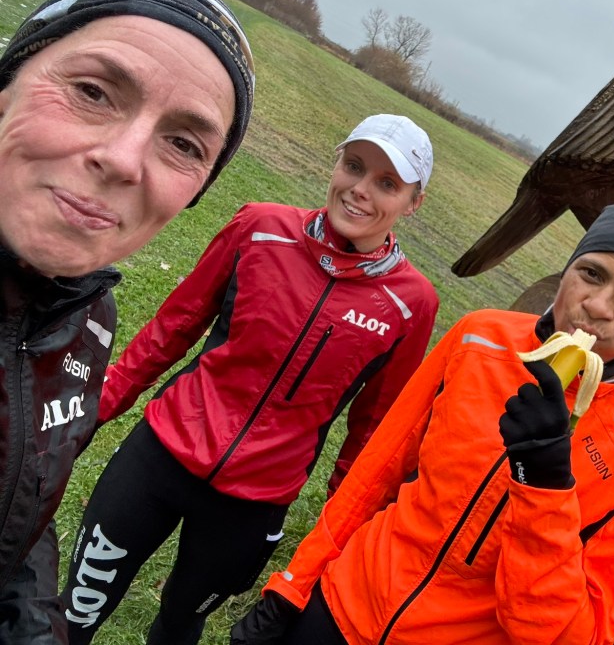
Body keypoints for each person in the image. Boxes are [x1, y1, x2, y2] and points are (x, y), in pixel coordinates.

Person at [232, 184, 614, 645]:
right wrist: (294, 585)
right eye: (592, 273)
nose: (598, 306)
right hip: (345, 603)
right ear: (567, 269)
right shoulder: (481, 337)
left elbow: (574, 635)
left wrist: (544, 489)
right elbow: (376, 472)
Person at [61, 113, 440, 645]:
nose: (360, 189)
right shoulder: (259, 227)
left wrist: (337, 534)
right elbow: (174, 326)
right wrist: (96, 409)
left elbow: (373, 429)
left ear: (413, 202)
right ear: (336, 164)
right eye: (354, 166)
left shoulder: (411, 303)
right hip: (160, 455)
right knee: (77, 610)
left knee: (179, 625)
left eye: (386, 183)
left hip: (255, 501)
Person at [0, 0, 256, 644]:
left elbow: (20, 515)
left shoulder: (86, 318)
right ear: (7, 84)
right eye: (92, 91)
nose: (123, 159)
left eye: (183, 144)